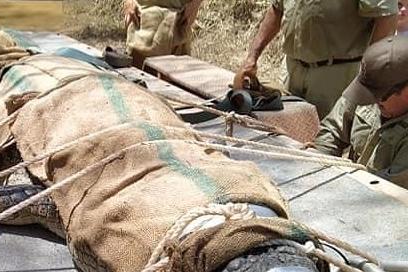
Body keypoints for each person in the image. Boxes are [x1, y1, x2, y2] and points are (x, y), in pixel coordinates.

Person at [234, 0, 399, 118]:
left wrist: (369, 72)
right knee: (282, 135)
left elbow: (386, 17)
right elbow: (277, 9)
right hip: (292, 70)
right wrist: (252, 57)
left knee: (323, 146)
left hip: (336, 76)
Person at [312, 35, 408, 189]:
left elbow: (388, 188)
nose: (374, 102)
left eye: (380, 96)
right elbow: (332, 130)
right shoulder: (371, 85)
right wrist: (319, 169)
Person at [123, 0, 203, 68]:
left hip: (176, 17)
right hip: (142, 15)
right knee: (135, 76)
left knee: (173, 77)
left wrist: (195, 4)